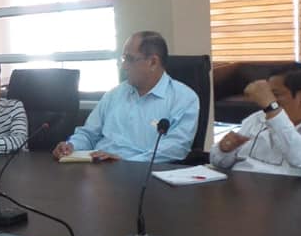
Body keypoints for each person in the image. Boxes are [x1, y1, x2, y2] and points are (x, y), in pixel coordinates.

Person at [53, 31, 200, 163]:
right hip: (100, 169)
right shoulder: (114, 94)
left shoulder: (184, 99)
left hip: (145, 174)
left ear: (153, 62)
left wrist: (125, 162)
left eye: (129, 59)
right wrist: (71, 145)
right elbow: (88, 134)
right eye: (124, 59)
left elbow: (175, 149)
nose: (124, 66)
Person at [210, 66, 301, 179]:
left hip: (286, 199)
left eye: (275, 95)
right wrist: (224, 150)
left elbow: (300, 157)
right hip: (237, 192)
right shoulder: (257, 119)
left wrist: (272, 108)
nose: (267, 100)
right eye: (268, 95)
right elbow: (219, 163)